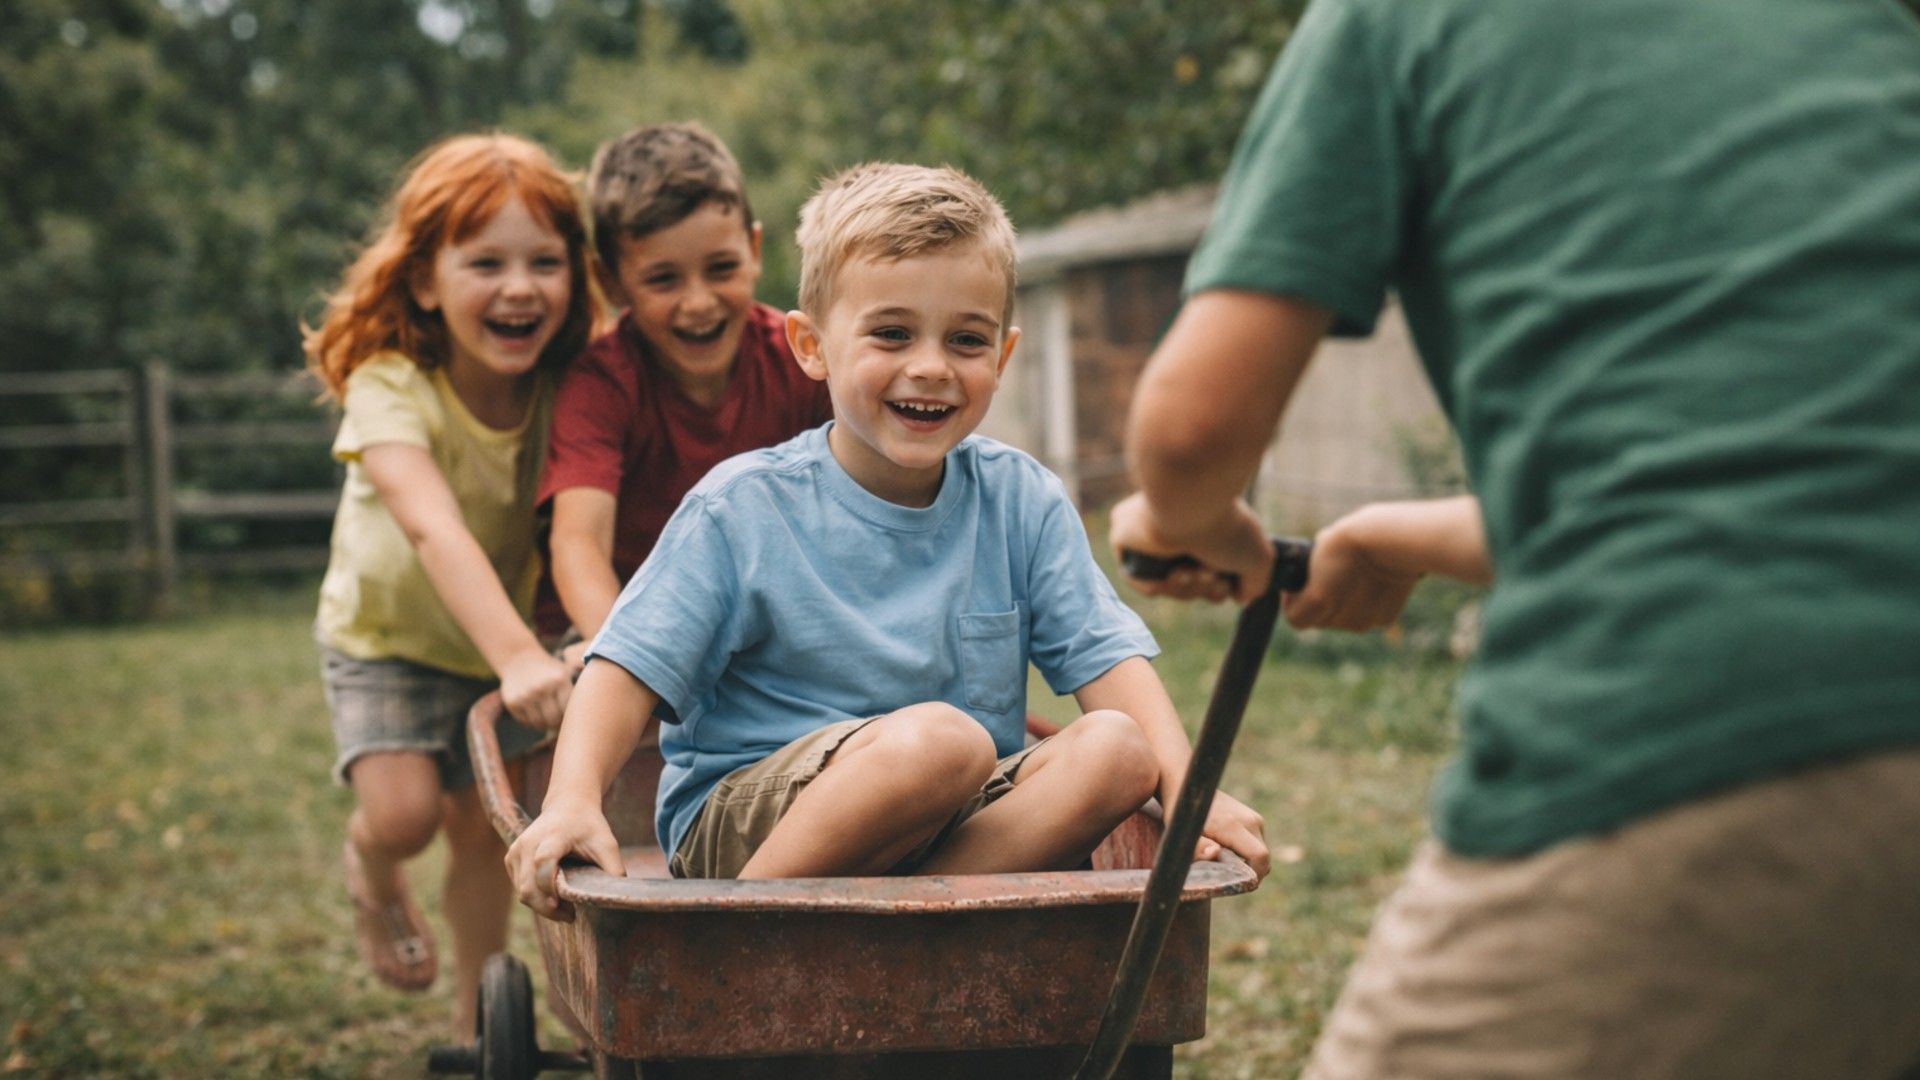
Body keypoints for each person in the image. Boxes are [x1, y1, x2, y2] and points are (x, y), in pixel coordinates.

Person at [1110, 0, 1920, 1075]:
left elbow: (1194, 429)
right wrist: (1385, 538)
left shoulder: (1400, 21)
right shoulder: (1854, 25)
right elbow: (1744, 470)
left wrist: (1186, 526)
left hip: (1714, 718)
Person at [507, 163, 1269, 914]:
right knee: (945, 741)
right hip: (752, 823)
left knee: (1119, 750)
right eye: (893, 334)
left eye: (966, 341)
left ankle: (893, 940)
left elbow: (1107, 658)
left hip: (948, 813)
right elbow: (626, 666)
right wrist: (574, 800)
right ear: (811, 347)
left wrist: (1189, 791)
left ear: (1002, 357)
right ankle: (737, 938)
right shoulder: (744, 507)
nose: (931, 368)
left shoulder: (1020, 500)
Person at [304, 133, 595, 1030]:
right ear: (426, 279)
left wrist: (526, 649)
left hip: (502, 642)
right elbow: (430, 524)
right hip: (387, 641)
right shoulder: (391, 384)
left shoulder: (566, 386)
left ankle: (479, 1019)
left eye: (545, 262)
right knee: (405, 817)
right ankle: (371, 866)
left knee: (481, 830)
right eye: (486, 262)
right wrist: (518, 657)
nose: (520, 286)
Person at [537, 122, 832, 642]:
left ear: (754, 249)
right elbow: (578, 543)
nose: (698, 303)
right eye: (663, 280)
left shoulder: (801, 362)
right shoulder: (603, 384)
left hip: (754, 630)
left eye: (721, 268)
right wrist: (630, 664)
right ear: (610, 282)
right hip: (619, 624)